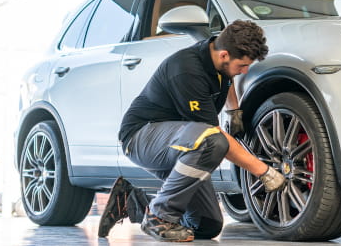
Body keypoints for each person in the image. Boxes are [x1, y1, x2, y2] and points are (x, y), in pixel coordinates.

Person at [117, 20, 285, 242]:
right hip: (142, 137)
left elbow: (228, 78)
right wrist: (264, 172)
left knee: (207, 225)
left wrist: (233, 110)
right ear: (224, 55)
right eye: (242, 66)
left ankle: (130, 202)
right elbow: (211, 133)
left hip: (181, 142)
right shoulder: (187, 70)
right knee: (212, 141)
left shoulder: (217, 57)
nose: (245, 71)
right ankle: (158, 216)